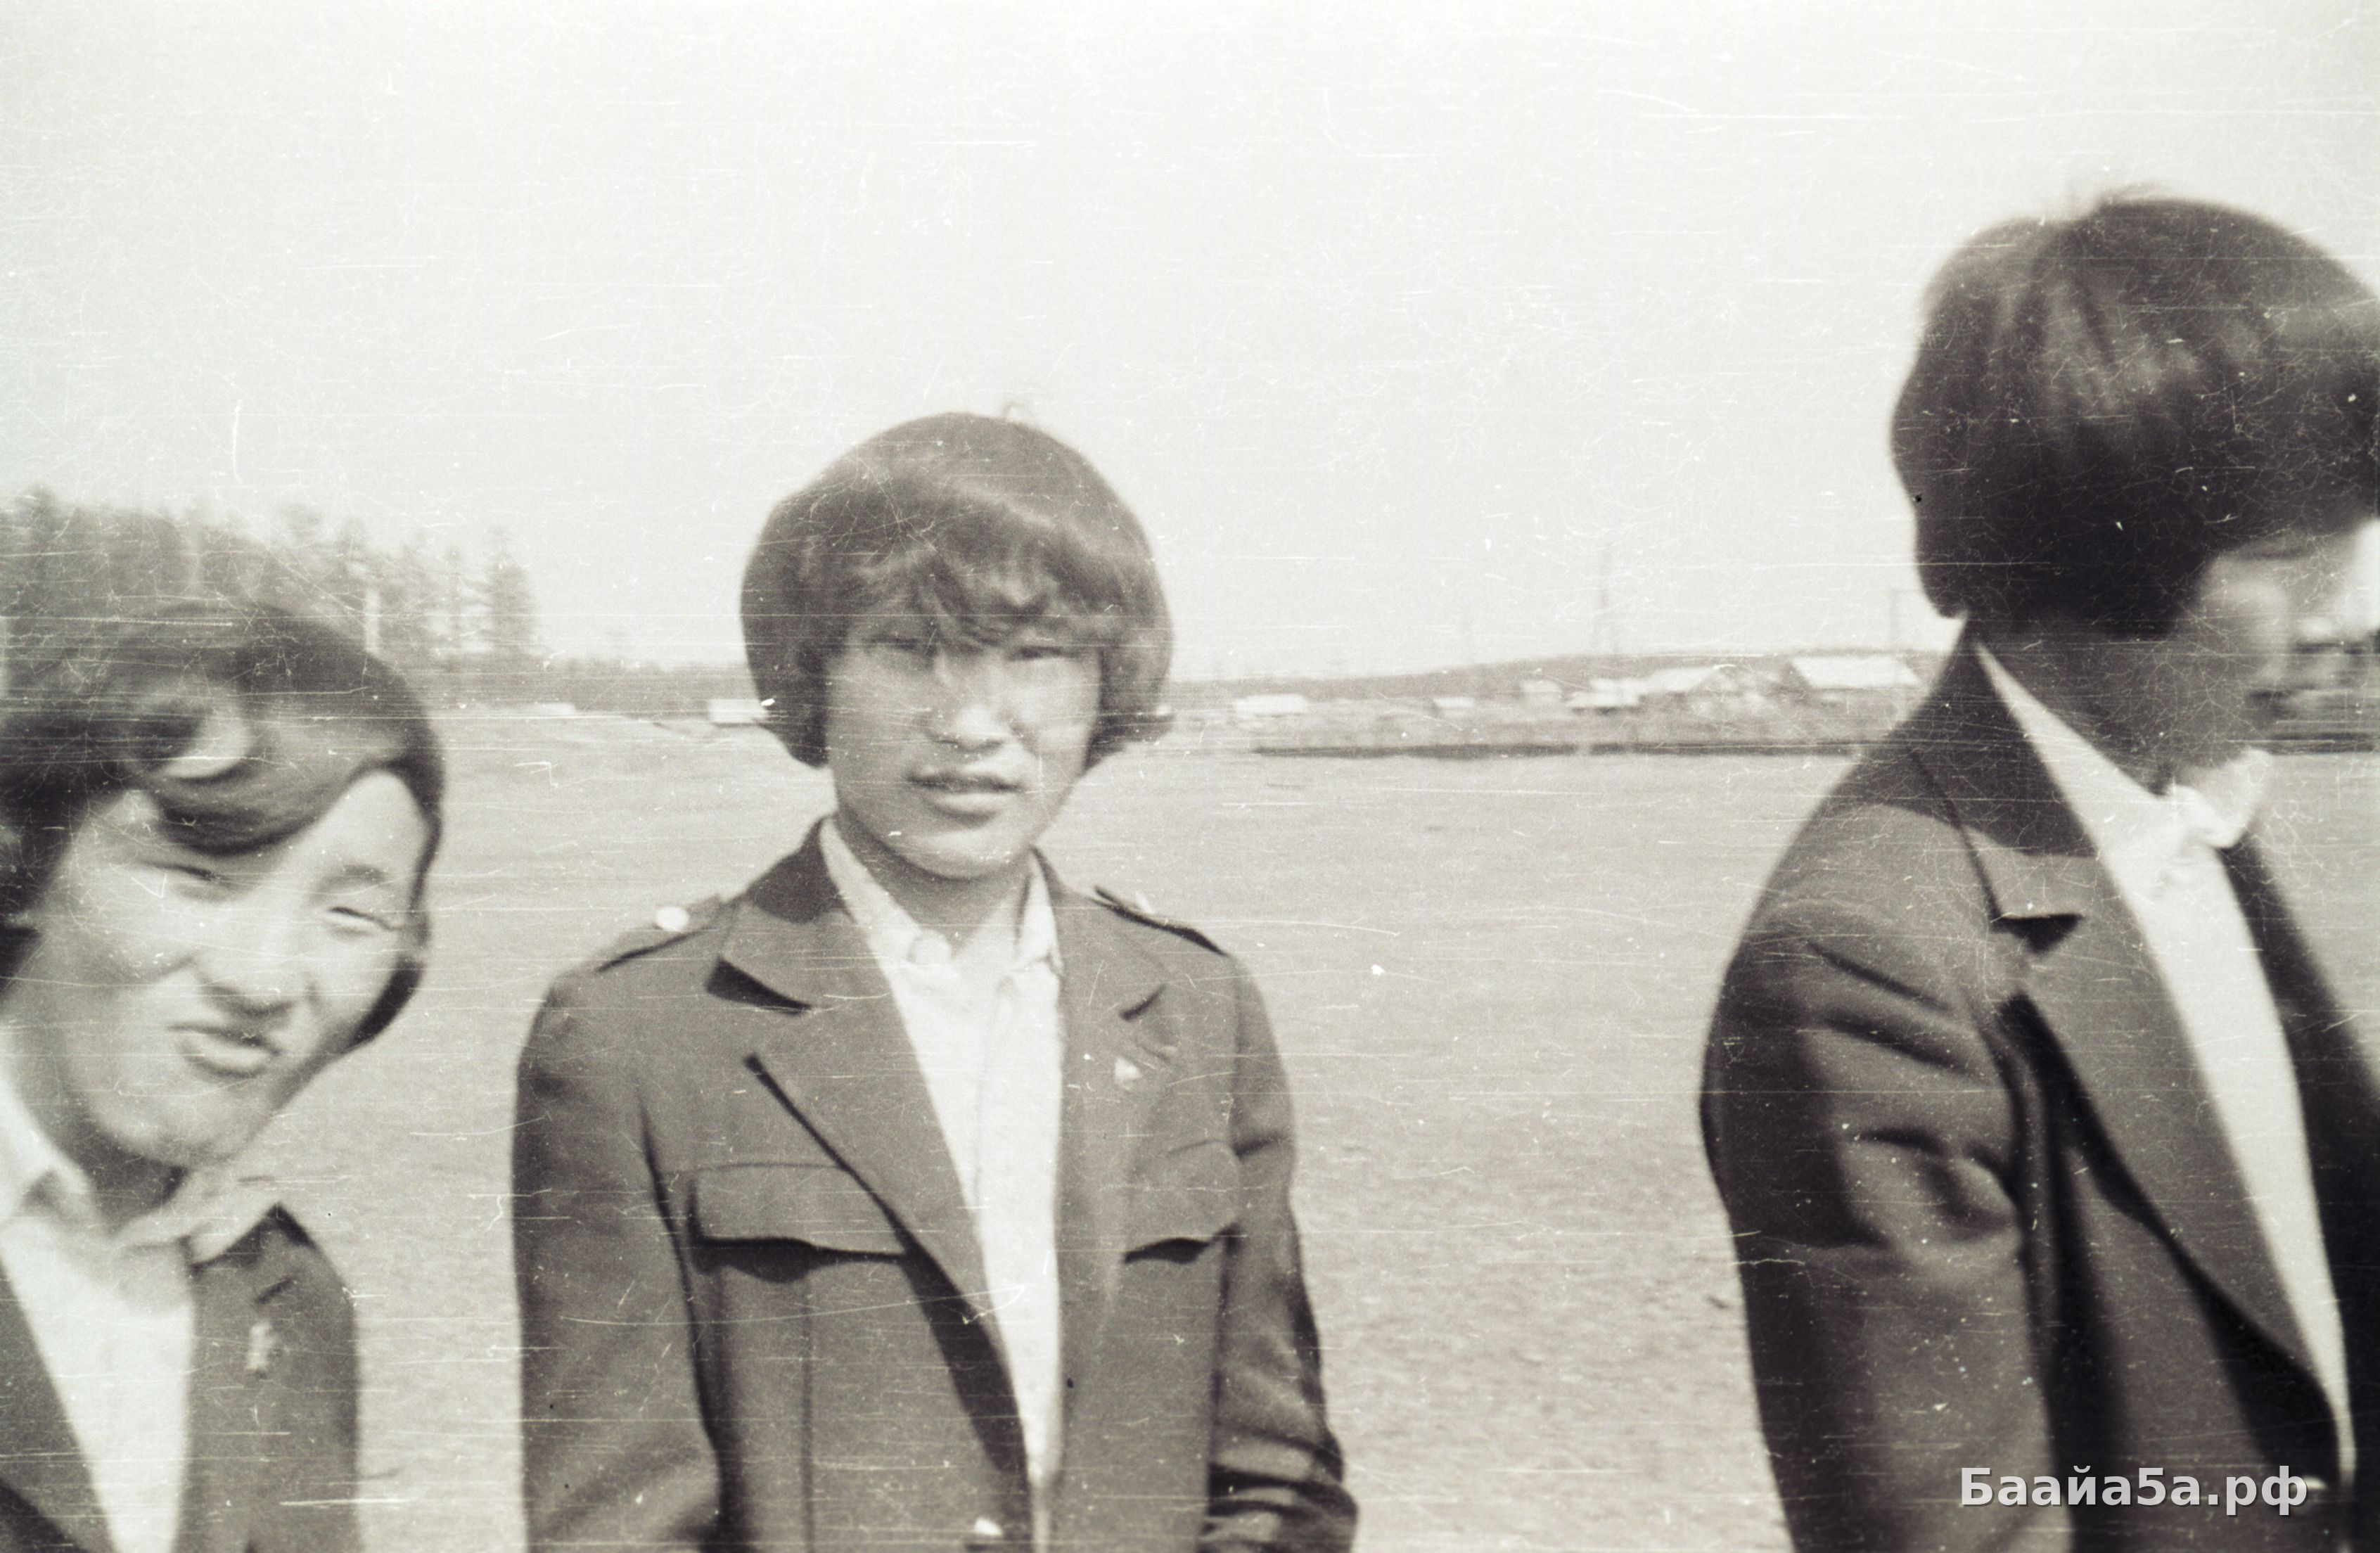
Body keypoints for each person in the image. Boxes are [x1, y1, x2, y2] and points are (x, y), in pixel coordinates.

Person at [513, 411, 1354, 1553]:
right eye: (909, 649)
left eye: (1035, 654)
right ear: (814, 674)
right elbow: (617, 1526)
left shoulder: (1199, 1009)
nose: (969, 723)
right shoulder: (636, 1035)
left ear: (1105, 683)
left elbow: (1275, 1487)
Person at [1702, 193, 2380, 1552]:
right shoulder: (1862, 964)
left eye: (2351, 544)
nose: (2349, 615)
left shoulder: (2182, 795)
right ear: (2091, 552)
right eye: (2286, 560)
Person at [0, 602, 444, 1553]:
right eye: (198, 875)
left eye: (351, 917)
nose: (263, 981)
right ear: (26, 866)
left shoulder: (289, 1298)